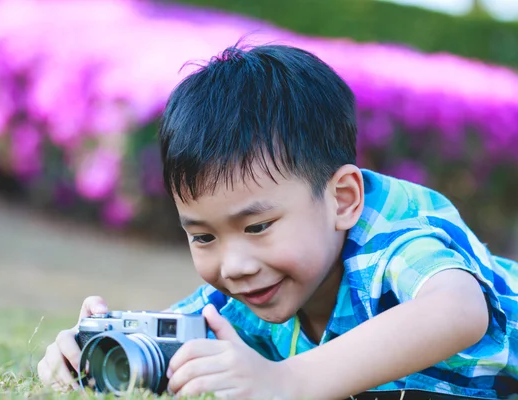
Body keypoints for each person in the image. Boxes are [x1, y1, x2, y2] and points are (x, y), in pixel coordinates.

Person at [36, 43, 518, 399]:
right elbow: (178, 352)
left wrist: (284, 382)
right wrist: (90, 357)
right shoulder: (238, 300)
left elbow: (458, 311)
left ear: (342, 199)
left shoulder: (394, 239)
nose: (235, 265)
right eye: (203, 236)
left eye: (257, 227)